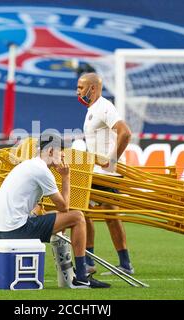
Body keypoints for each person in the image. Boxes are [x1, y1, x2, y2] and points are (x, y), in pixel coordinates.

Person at [0, 133, 110, 289]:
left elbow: (36, 208)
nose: (62, 156)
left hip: (2, 229)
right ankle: (81, 277)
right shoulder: (42, 171)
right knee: (78, 217)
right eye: (61, 152)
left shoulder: (29, 165)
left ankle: (72, 273)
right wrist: (66, 177)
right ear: (50, 151)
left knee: (57, 218)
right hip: (15, 229)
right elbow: (64, 207)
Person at [76, 72, 135, 275]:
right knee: (109, 215)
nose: (77, 92)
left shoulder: (104, 107)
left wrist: (112, 160)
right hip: (100, 173)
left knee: (81, 212)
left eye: (80, 87)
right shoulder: (93, 109)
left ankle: (88, 262)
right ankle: (125, 264)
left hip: (105, 174)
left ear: (92, 88)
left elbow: (125, 132)